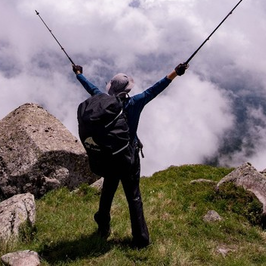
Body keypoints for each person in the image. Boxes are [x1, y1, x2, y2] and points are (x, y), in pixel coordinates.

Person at [72, 62, 188, 248]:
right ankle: (140, 239)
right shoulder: (135, 103)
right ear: (127, 90)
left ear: (111, 89)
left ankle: (103, 228)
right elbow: (155, 89)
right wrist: (176, 72)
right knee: (133, 197)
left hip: (109, 156)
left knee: (107, 193)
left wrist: (79, 74)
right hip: (128, 158)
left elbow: (90, 87)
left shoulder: (102, 102)